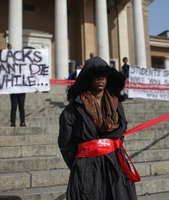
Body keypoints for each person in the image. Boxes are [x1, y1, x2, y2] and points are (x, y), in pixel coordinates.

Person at [58, 56, 138, 200]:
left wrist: (110, 151)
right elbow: (65, 144)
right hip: (87, 169)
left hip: (115, 165)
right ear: (88, 78)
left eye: (104, 75)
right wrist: (80, 165)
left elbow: (121, 133)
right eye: (96, 74)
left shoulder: (116, 104)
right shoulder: (73, 110)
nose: (101, 78)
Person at [6, 43, 26, 127]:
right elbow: (8, 61)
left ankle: (22, 122)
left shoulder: (23, 66)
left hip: (21, 90)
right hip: (13, 89)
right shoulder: (11, 67)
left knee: (21, 107)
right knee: (13, 107)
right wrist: (9, 50)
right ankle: (13, 122)